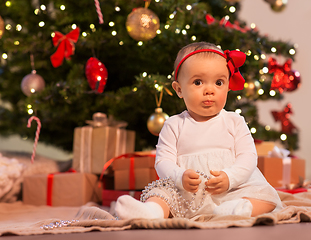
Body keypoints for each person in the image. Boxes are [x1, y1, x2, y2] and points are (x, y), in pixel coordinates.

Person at [115, 42, 282, 220]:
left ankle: (240, 208)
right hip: (187, 194)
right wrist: (180, 177)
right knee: (161, 193)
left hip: (231, 189)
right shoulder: (174, 124)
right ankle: (151, 212)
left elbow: (248, 157)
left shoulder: (234, 121)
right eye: (198, 82)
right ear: (179, 89)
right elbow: (163, 161)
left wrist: (230, 177)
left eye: (218, 82)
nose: (209, 90)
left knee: (266, 195)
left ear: (227, 86)